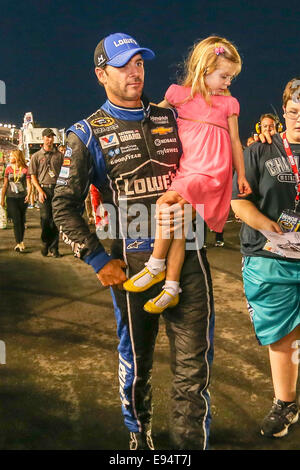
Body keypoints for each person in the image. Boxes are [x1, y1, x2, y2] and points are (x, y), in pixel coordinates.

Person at [52, 32, 215, 450]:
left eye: (139, 63)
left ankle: (190, 445)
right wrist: (97, 259)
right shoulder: (86, 132)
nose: (135, 71)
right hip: (133, 265)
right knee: (138, 362)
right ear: (101, 74)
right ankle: (138, 435)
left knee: (193, 367)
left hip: (189, 253)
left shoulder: (169, 115)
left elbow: (212, 138)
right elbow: (63, 206)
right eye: (124, 65)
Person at [124, 36, 251, 313]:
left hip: (212, 170)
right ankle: (171, 287)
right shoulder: (178, 95)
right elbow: (152, 113)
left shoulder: (229, 104)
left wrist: (240, 175)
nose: (228, 82)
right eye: (224, 76)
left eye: (231, 77)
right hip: (188, 168)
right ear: (205, 69)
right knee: (179, 227)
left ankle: (155, 265)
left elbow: (235, 142)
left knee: (164, 204)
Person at [231, 77, 300, 438]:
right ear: (283, 110)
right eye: (293, 111)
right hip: (270, 255)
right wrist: (269, 227)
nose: (299, 118)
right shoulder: (261, 150)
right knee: (284, 335)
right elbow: (239, 200)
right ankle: (285, 404)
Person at [29, 128, 63, 257]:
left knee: (56, 220)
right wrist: (39, 190)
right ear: (43, 138)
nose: (50, 139)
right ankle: (45, 242)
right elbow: (33, 176)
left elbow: (64, 174)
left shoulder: (59, 155)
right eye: (48, 137)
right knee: (45, 219)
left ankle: (54, 248)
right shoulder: (36, 156)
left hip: (57, 190)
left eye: (52, 137)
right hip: (43, 189)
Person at [1, 149, 31, 251]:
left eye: (11, 156)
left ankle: (21, 241)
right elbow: (5, 185)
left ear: (17, 157)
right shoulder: (8, 169)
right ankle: (18, 242)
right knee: (16, 220)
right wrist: (2, 199)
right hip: (11, 198)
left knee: (21, 220)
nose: (10, 158)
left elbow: (29, 184)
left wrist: (29, 195)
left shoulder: (25, 169)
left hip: (22, 198)